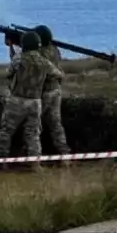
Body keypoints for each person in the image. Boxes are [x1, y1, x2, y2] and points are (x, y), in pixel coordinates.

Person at [0, 30, 62, 171]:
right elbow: (58, 74)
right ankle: (35, 164)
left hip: (17, 99)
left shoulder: (19, 59)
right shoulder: (44, 62)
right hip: (35, 101)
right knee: (33, 134)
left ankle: (1, 161)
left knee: (6, 131)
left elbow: (8, 73)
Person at [34, 24, 71, 159]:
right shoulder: (55, 49)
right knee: (56, 124)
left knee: (33, 125)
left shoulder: (39, 53)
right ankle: (64, 153)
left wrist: (12, 47)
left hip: (45, 92)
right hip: (56, 90)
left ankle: (33, 156)